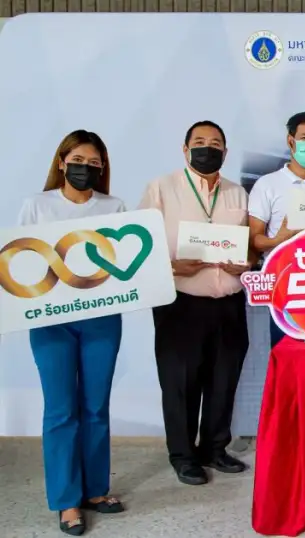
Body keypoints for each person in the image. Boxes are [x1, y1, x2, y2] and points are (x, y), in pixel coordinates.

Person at [17, 130, 127, 535]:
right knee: (61, 409)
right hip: (51, 319)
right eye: (78, 160)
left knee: (95, 406)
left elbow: (123, 264)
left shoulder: (114, 206)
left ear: (103, 168)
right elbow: (19, 260)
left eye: (94, 163)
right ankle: (66, 500)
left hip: (101, 318)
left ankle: (95, 490)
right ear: (62, 162)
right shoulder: (37, 204)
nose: (86, 168)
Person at [139, 121, 252, 486]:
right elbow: (139, 246)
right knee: (180, 382)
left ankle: (215, 448)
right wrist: (172, 265)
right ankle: (183, 455)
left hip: (229, 302)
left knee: (224, 379)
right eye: (200, 142)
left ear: (226, 152)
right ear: (185, 149)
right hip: (180, 302)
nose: (208, 148)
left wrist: (245, 262)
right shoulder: (161, 188)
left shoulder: (237, 193)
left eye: (215, 143)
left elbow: (247, 244)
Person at [247, 111, 305, 347]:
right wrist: (279, 239)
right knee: (287, 354)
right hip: (285, 287)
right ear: (291, 141)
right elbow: (254, 240)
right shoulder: (267, 184)